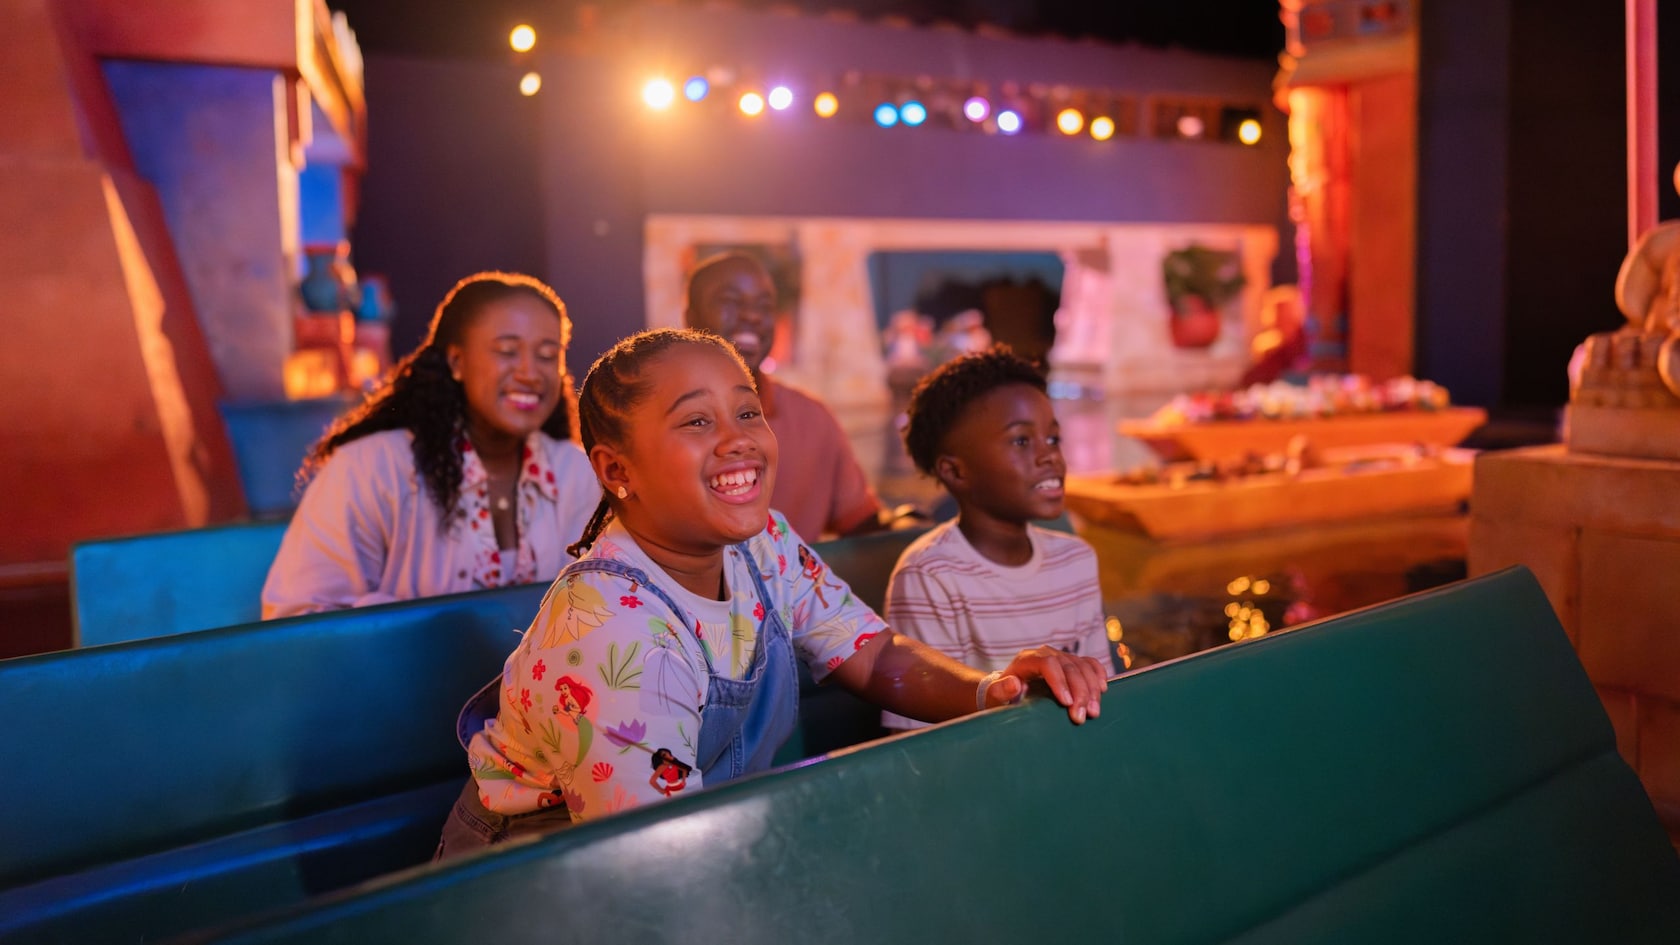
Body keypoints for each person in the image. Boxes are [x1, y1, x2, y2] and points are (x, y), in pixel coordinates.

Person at [437, 328, 1108, 854]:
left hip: (698, 842)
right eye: (697, 422)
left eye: (748, 411)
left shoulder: (764, 544)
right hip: (534, 885)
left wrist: (992, 689)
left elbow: (873, 654)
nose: (739, 441)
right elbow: (648, 866)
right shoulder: (611, 629)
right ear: (617, 469)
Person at [262, 272, 600, 618]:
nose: (530, 372)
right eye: (507, 351)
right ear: (456, 361)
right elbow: (296, 616)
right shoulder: (370, 468)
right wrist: (429, 633)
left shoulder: (576, 474)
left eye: (547, 355)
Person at [878, 346, 1112, 731]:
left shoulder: (1077, 560)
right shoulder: (929, 575)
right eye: (1021, 441)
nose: (1049, 456)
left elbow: (1102, 694)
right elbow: (917, 737)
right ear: (956, 472)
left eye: (1052, 439)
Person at [682, 252, 884, 539]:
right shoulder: (661, 422)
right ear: (690, 319)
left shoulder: (814, 420)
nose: (752, 315)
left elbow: (863, 526)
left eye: (764, 306)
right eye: (729, 301)